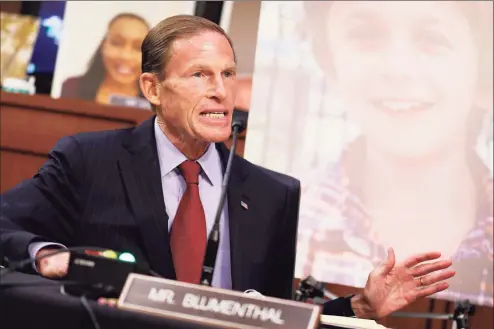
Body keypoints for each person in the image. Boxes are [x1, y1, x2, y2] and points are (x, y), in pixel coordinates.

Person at [0, 15, 454, 320]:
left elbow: (270, 317)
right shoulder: (88, 160)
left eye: (228, 74)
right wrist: (47, 255)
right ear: (152, 88)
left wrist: (359, 304)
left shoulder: (273, 194)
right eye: (200, 74)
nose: (221, 91)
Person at [298, 1, 493, 306]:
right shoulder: (289, 221)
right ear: (330, 62)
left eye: (434, 38)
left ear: (482, 72)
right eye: (365, 35)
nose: (398, 69)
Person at [60, 13, 150, 105]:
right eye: (117, 43)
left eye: (138, 48)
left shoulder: (156, 100)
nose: (125, 56)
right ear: (103, 46)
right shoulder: (72, 88)